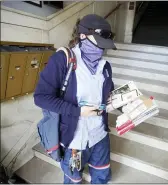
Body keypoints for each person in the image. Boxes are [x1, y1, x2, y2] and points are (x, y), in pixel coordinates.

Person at [34, 14, 116, 184]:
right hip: (74, 140)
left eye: (104, 46)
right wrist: (78, 111)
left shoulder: (105, 66)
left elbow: (108, 92)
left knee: (101, 177)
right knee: (73, 180)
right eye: (98, 44)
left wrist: (116, 102)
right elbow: (41, 98)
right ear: (83, 36)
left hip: (99, 136)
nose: (101, 50)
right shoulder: (63, 60)